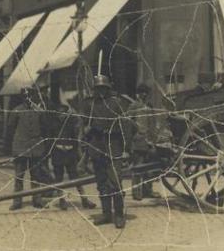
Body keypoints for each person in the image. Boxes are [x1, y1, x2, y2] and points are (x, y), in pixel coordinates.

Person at [82, 75, 137, 228]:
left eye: (103, 88)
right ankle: (106, 214)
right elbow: (84, 124)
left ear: (107, 89)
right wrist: (86, 131)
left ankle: (119, 215)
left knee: (115, 182)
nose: (100, 91)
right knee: (101, 183)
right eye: (97, 88)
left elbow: (126, 126)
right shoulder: (90, 104)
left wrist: (126, 149)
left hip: (114, 145)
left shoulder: (116, 103)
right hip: (96, 146)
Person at [45, 94, 97, 211]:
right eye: (60, 113)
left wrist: (75, 151)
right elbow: (49, 139)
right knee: (59, 178)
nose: (62, 115)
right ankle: (62, 200)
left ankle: (84, 199)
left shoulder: (71, 122)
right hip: (57, 153)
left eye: (64, 112)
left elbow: (76, 137)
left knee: (76, 178)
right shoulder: (53, 124)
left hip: (70, 153)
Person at [6, 87, 54, 210]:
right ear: (22, 98)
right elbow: (10, 130)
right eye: (25, 96)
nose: (28, 99)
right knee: (19, 176)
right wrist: (12, 149)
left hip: (36, 148)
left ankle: (37, 200)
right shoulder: (16, 111)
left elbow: (46, 129)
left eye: (30, 96)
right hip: (20, 147)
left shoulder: (39, 111)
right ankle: (17, 201)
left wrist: (44, 147)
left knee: (36, 176)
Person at [128, 83, 173, 200]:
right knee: (138, 167)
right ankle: (137, 192)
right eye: (142, 92)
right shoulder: (134, 106)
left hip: (150, 141)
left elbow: (153, 124)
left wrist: (154, 138)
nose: (144, 95)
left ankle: (148, 190)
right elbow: (128, 123)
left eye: (146, 93)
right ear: (137, 94)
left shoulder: (149, 106)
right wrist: (135, 134)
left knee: (149, 168)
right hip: (138, 141)